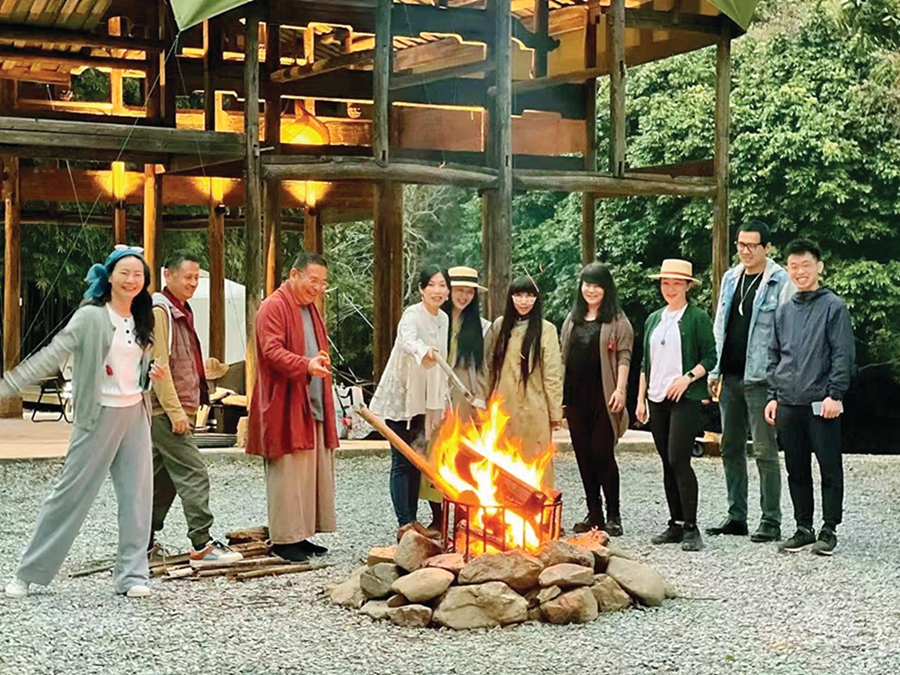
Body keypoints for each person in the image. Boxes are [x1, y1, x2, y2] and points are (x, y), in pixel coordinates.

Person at [2, 245, 165, 599]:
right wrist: (8, 385)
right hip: (98, 414)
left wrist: (150, 374)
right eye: (124, 273)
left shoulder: (144, 317)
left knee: (138, 498)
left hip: (135, 414)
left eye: (138, 274)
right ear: (110, 276)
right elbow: (52, 354)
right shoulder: (91, 316)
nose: (132, 280)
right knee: (70, 495)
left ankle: (132, 575)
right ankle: (28, 573)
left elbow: (136, 367)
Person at [148, 250, 242, 566]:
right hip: (166, 410)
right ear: (168, 275)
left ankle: (141, 540)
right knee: (194, 472)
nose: (192, 283)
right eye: (186, 277)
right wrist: (176, 412)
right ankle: (202, 543)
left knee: (163, 480)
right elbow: (159, 365)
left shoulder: (180, 309)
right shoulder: (161, 311)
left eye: (195, 278)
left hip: (175, 408)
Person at [765, 239, 855, 556]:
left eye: (806, 265)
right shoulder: (784, 311)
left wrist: (835, 394)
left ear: (819, 267)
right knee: (796, 469)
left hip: (821, 402)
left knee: (829, 468)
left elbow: (842, 354)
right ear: (787, 270)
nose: (800, 271)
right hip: (788, 402)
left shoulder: (834, 307)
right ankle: (803, 527)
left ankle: (829, 529)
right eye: (794, 266)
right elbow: (774, 356)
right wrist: (773, 396)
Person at [246, 252, 337, 563]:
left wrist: (317, 361)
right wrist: (306, 365)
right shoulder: (273, 306)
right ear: (294, 274)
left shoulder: (310, 308)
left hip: (311, 398)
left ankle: (301, 533)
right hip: (284, 400)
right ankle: (284, 539)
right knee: (287, 473)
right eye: (313, 280)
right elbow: (271, 351)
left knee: (309, 473)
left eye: (323, 282)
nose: (318, 287)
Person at [707, 220, 794, 543]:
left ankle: (770, 520)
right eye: (740, 245)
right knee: (730, 446)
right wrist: (714, 370)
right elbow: (720, 325)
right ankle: (736, 515)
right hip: (730, 375)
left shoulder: (780, 281)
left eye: (751, 245)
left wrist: (780, 383)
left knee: (764, 450)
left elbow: (787, 334)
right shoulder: (731, 278)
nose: (745, 251)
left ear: (766, 248)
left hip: (762, 378)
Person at [636, 259, 716, 552]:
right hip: (656, 397)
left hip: (685, 397)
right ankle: (676, 522)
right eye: (665, 283)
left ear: (687, 286)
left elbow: (710, 356)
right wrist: (640, 398)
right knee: (666, 462)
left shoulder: (697, 318)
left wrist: (688, 378)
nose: (670, 288)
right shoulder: (653, 319)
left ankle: (692, 527)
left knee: (679, 459)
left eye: (676, 283)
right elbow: (645, 362)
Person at [370, 266, 450, 538]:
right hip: (404, 398)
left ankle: (414, 521)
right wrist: (423, 350)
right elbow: (408, 341)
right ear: (421, 290)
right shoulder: (411, 315)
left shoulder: (444, 319)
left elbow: (443, 362)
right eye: (432, 285)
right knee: (402, 460)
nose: (437, 291)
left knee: (418, 460)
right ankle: (404, 522)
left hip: (427, 401)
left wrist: (442, 402)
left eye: (442, 285)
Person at [560, 262, 633, 536]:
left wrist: (621, 390)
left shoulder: (617, 320)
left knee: (602, 454)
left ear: (606, 289)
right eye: (587, 285)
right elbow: (563, 358)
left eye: (597, 286)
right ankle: (594, 513)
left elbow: (624, 356)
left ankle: (614, 514)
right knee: (583, 456)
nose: (591, 290)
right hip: (575, 398)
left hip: (604, 395)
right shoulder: (572, 320)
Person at [417, 266, 491, 526]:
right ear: (449, 291)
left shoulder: (483, 327)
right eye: (459, 290)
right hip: (435, 397)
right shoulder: (434, 321)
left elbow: (484, 369)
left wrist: (480, 400)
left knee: (465, 460)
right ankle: (438, 517)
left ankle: (463, 516)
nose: (464, 296)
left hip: (464, 400)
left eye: (469, 291)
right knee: (434, 457)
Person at [485, 276, 563, 488]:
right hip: (502, 406)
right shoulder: (499, 326)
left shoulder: (546, 329)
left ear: (537, 299)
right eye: (518, 295)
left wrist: (555, 412)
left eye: (529, 296)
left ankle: (539, 507)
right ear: (510, 297)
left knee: (536, 464)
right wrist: (484, 402)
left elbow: (552, 374)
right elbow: (489, 368)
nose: (524, 301)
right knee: (502, 463)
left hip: (534, 408)